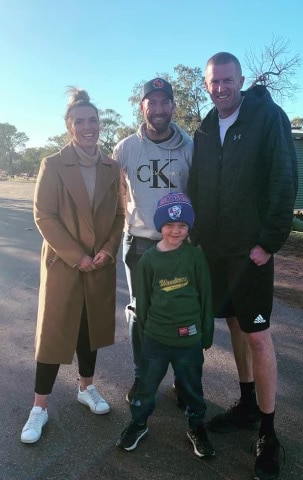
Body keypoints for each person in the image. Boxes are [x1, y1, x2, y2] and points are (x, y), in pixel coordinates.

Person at [188, 53, 297, 479]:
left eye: (227, 81)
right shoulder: (205, 126)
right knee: (232, 324)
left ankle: (268, 433)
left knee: (257, 336)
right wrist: (195, 237)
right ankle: (247, 404)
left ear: (241, 80)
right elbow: (198, 182)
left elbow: (284, 180)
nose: (221, 88)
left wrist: (268, 243)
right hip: (213, 251)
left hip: (250, 253)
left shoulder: (267, 117)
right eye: (213, 82)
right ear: (206, 84)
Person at [20, 87, 125, 444]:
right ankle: (39, 407)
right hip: (64, 264)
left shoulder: (113, 167)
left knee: (89, 329)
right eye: (80, 121)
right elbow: (44, 216)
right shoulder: (53, 164)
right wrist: (75, 255)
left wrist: (109, 250)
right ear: (69, 126)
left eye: (93, 120)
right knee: (53, 333)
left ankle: (86, 388)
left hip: (99, 264)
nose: (88, 127)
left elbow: (120, 215)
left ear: (100, 124)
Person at [115, 193, 215, 458]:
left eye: (182, 225)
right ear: (160, 226)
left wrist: (206, 334)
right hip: (156, 340)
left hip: (189, 340)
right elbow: (143, 303)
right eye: (170, 225)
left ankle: (196, 427)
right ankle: (138, 423)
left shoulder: (195, 257)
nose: (176, 230)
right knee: (146, 386)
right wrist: (147, 335)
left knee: (192, 387)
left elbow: (206, 296)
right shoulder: (148, 260)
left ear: (188, 228)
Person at [112, 78, 193, 403]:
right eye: (152, 102)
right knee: (141, 313)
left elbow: (198, 193)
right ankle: (143, 378)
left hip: (179, 245)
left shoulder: (189, 146)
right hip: (141, 244)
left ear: (173, 107)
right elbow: (111, 190)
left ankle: (182, 382)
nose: (158, 109)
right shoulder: (126, 148)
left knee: (178, 314)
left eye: (164, 102)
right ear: (142, 106)